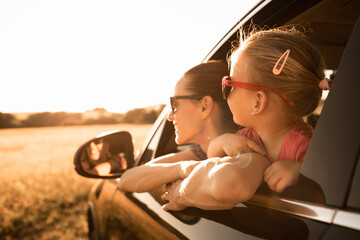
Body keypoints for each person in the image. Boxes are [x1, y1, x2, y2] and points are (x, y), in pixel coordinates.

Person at [162, 26, 329, 211]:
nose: (225, 94)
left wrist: (300, 171)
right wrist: (220, 142)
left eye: (229, 85)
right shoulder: (246, 137)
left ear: (257, 102)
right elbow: (213, 161)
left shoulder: (304, 146)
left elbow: (328, 185)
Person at [118, 61, 264, 192]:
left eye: (175, 105)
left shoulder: (246, 150)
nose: (169, 116)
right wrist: (182, 168)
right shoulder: (197, 153)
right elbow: (126, 180)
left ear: (204, 106)